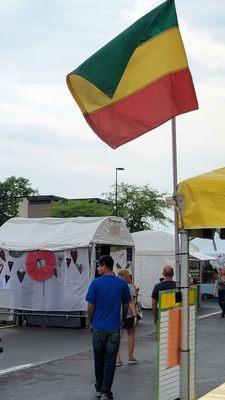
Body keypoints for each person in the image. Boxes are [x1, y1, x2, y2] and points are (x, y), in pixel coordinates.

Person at [85, 255, 131, 400]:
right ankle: (106, 391)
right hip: (113, 328)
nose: (98, 268)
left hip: (98, 328)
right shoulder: (122, 284)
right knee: (110, 361)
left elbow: (90, 305)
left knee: (98, 359)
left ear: (104, 265)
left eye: (99, 265)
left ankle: (98, 389)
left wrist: (90, 321)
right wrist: (123, 319)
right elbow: (125, 305)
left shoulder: (95, 283)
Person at [116, 269, 139, 366]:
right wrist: (135, 315)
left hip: (117, 313)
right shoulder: (129, 286)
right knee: (131, 333)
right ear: (127, 276)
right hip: (128, 314)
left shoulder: (116, 285)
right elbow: (131, 301)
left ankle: (117, 359)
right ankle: (130, 357)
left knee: (117, 337)